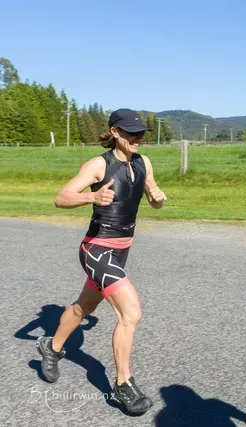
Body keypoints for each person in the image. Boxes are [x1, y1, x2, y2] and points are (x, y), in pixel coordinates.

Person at [36, 108, 167, 415]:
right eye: (132, 133)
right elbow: (61, 197)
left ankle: (51, 347)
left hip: (121, 250)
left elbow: (153, 198)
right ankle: (123, 384)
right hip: (96, 249)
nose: (139, 138)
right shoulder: (98, 164)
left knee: (85, 307)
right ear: (116, 133)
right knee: (131, 313)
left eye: (141, 133)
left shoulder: (143, 162)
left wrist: (159, 198)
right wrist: (91, 198)